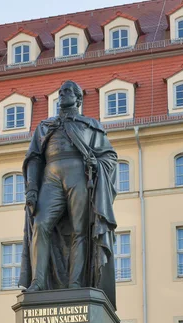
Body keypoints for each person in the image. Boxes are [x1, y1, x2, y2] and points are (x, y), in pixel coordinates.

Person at [19, 80, 118, 308]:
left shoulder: (90, 126)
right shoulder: (45, 126)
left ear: (78, 98)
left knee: (79, 230)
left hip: (78, 174)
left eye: (67, 92)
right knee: (41, 225)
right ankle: (38, 282)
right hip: (51, 174)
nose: (62, 95)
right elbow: (34, 157)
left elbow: (109, 156)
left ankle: (76, 284)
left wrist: (96, 163)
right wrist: (32, 188)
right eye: (60, 92)